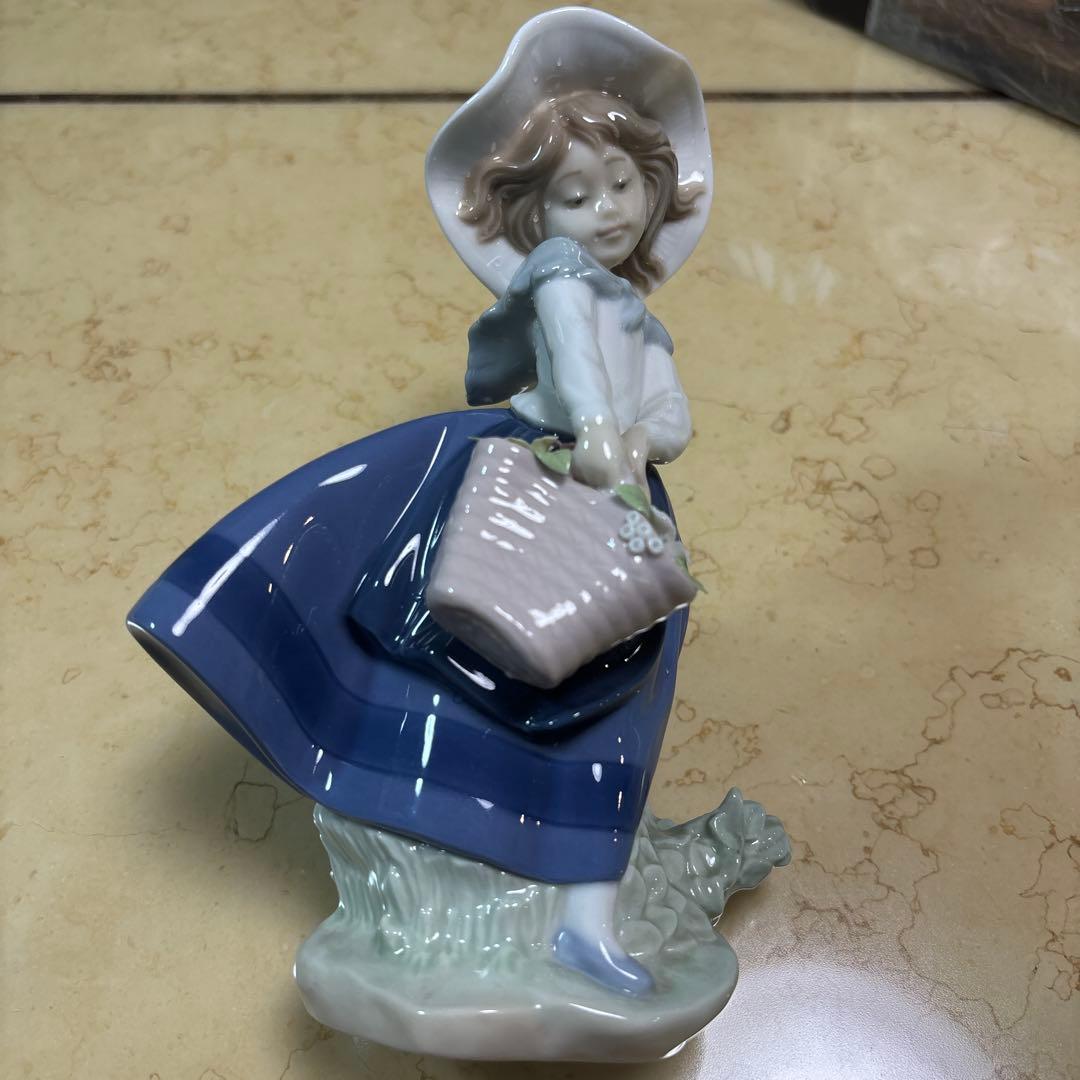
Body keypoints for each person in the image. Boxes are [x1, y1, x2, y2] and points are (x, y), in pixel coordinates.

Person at [127, 7, 712, 997]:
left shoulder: (644, 323)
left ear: (655, 186)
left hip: (616, 520)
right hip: (527, 484)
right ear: (536, 217)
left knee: (613, 712)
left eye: (623, 184)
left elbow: (671, 415)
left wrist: (639, 444)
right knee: (446, 663)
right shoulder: (560, 279)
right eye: (576, 196)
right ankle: (435, 854)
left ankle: (583, 919)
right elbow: (575, 370)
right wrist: (601, 437)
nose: (607, 210)